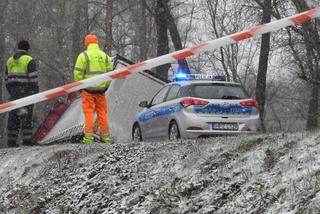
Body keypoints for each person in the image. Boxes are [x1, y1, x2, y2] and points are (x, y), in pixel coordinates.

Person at [73, 34, 113, 144]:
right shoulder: (105, 56)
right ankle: (105, 137)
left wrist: (81, 87)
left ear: (86, 43)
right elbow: (111, 74)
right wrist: (105, 86)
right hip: (101, 91)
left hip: (87, 90)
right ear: (97, 43)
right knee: (102, 113)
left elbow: (77, 74)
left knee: (89, 113)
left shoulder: (83, 56)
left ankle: (88, 138)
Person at [5, 40, 39, 147]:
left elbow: (6, 80)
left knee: (13, 116)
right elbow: (33, 78)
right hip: (27, 92)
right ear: (27, 49)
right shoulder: (29, 60)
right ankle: (27, 140)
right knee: (27, 115)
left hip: (14, 92)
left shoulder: (9, 61)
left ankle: (11, 141)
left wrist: (12, 91)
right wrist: (34, 92)